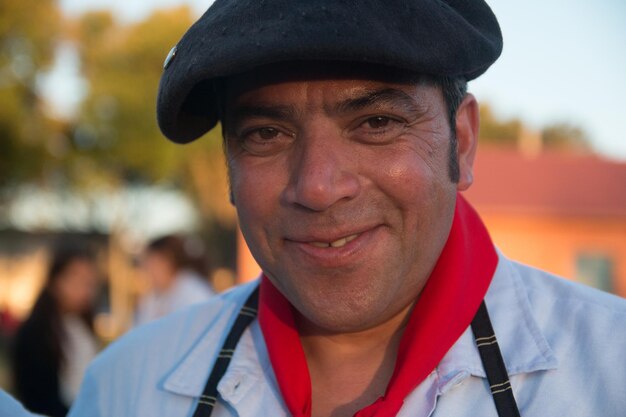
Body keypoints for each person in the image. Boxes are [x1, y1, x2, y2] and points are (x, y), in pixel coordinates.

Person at [69, 1, 626, 417]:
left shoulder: (609, 371)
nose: (317, 186)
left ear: (461, 143)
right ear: (230, 170)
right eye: (266, 133)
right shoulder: (129, 388)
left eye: (376, 123)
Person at [13, 243, 100, 417]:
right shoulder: (36, 332)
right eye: (77, 278)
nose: (85, 288)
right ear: (55, 279)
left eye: (89, 281)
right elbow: (39, 398)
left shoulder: (80, 324)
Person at [135, 234, 215, 326]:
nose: (147, 270)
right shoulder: (154, 295)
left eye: (152, 263)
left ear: (168, 262)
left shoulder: (192, 291)